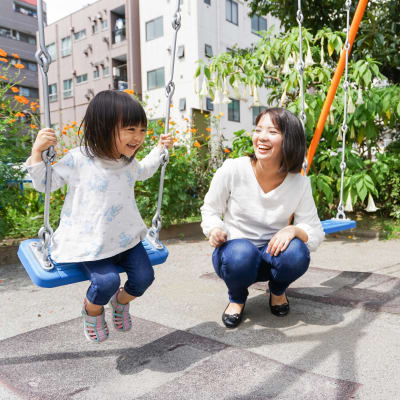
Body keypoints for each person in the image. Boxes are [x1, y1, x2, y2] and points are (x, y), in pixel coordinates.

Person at [25, 90, 173, 342]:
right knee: (106, 282)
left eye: (142, 130)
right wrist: (37, 152)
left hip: (126, 238)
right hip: (90, 241)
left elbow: (146, 169)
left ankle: (120, 303)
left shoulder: (127, 162)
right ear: (103, 127)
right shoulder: (78, 159)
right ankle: (92, 312)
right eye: (130, 129)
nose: (138, 137)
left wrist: (160, 149)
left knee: (145, 277)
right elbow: (45, 183)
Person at [201, 107, 325, 328]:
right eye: (258, 130)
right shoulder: (233, 169)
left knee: (297, 252)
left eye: (272, 132)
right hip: (235, 257)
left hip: (272, 256)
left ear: (290, 140)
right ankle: (237, 297)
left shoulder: (299, 182)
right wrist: (214, 229)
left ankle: (277, 291)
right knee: (241, 253)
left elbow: (315, 230)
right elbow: (210, 210)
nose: (262, 137)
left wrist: (293, 230)